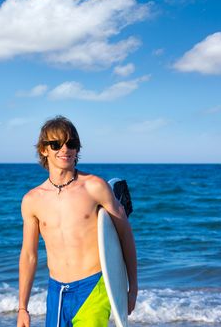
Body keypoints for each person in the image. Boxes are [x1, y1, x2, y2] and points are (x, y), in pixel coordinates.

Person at [17, 116, 137, 327]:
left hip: (93, 287)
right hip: (57, 291)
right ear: (44, 150)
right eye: (56, 144)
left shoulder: (94, 187)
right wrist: (22, 308)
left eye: (71, 143)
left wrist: (132, 287)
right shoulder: (32, 200)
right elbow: (29, 255)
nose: (65, 149)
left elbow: (125, 234)